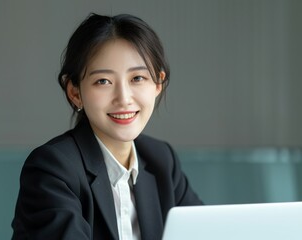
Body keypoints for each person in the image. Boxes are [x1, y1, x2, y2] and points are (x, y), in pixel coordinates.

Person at [11, 13, 203, 240]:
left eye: (138, 78)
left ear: (158, 83)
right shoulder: (52, 169)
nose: (123, 98)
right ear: (74, 92)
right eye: (103, 81)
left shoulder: (162, 161)